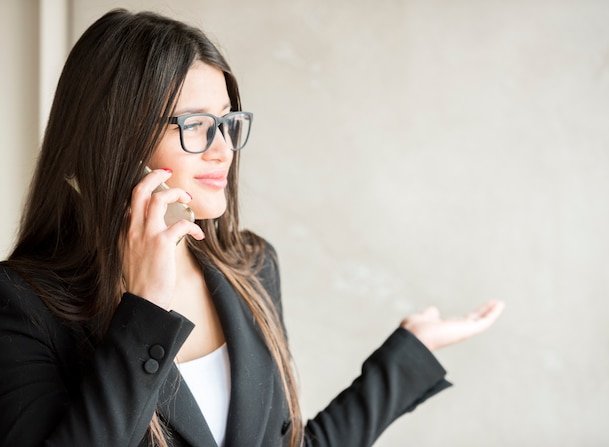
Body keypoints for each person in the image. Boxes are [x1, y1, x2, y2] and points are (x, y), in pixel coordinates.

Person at [0, 9, 504, 447]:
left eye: (226, 121)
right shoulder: (23, 304)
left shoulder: (251, 267)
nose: (223, 148)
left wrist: (407, 356)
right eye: (195, 125)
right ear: (113, 139)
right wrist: (146, 310)